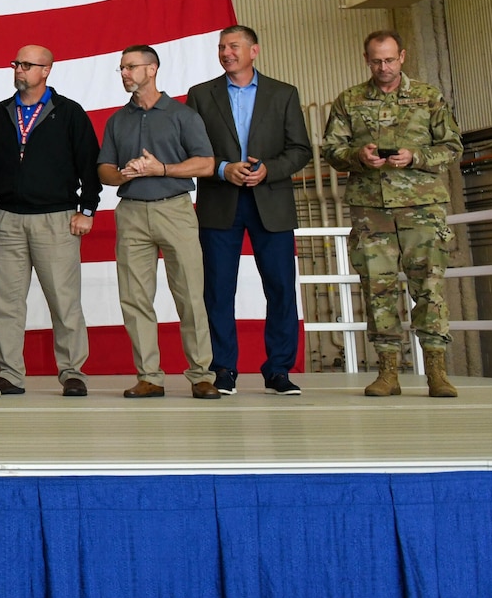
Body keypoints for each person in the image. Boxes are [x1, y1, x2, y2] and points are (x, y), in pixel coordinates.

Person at [322, 30, 465, 398]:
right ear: (366, 59)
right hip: (372, 211)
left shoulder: (428, 97)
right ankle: (388, 372)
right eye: (375, 61)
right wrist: (358, 157)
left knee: (429, 287)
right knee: (377, 288)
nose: (383, 67)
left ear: (402, 56)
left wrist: (416, 156)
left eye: (389, 60)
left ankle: (436, 371)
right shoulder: (350, 100)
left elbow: (451, 145)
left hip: (422, 208)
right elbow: (331, 149)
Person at [188, 25, 313, 396]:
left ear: (254, 50)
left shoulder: (283, 93)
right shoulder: (200, 95)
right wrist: (225, 167)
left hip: (270, 201)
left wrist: (268, 169)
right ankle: (223, 369)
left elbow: (300, 149)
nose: (227, 52)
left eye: (234, 46)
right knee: (217, 291)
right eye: (222, 47)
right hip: (220, 201)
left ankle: (278, 370)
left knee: (280, 289)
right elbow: (191, 151)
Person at [97, 44, 218, 399]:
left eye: (131, 67)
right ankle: (149, 375)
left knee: (190, 295)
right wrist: (122, 175)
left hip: (175, 209)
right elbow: (103, 167)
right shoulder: (117, 120)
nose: (124, 74)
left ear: (152, 70)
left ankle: (201, 375)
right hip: (132, 210)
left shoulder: (182, 115)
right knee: (134, 298)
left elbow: (207, 164)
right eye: (121, 68)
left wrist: (161, 168)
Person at [0, 47, 102, 397]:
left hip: (57, 219)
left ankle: (72, 371)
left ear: (46, 70)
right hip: (7, 219)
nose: (19, 69)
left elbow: (89, 165)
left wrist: (88, 209)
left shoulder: (69, 113)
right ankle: (9, 373)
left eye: (27, 65)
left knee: (64, 301)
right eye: (16, 63)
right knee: (5, 302)